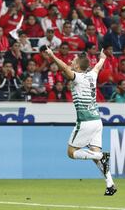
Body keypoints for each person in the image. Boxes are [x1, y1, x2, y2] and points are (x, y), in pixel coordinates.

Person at [45, 48, 116, 196]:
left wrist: (52, 55)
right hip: (97, 121)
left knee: (72, 152)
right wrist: (102, 58)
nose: (71, 61)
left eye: (74, 60)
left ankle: (100, 156)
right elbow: (98, 65)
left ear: (77, 67)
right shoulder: (92, 75)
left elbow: (64, 67)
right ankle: (110, 183)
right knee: (94, 153)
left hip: (85, 121)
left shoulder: (78, 77)